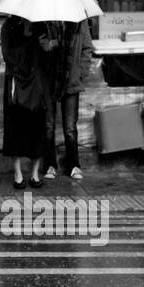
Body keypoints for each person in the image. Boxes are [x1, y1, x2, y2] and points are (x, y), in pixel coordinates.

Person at [0, 17, 52, 188]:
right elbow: (8, 55)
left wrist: (49, 46)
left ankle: (35, 173)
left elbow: (46, 57)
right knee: (16, 128)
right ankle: (18, 173)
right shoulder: (9, 27)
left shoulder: (41, 25)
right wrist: (27, 40)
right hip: (16, 83)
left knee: (37, 128)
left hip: (37, 86)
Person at [44, 19, 93, 180]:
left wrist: (80, 75)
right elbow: (37, 45)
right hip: (49, 78)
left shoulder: (80, 20)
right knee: (48, 125)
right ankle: (50, 165)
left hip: (71, 79)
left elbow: (87, 48)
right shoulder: (46, 17)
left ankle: (74, 165)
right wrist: (48, 45)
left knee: (70, 127)